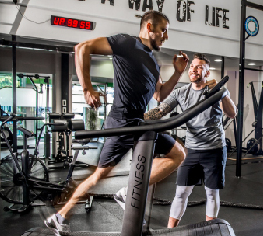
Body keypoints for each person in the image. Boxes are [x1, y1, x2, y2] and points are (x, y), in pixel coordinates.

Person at [44, 10, 189, 235]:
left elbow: (160, 94)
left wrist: (178, 73)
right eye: (163, 31)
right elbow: (82, 48)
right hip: (121, 122)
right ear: (149, 28)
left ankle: (129, 191)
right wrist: (87, 88)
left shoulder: (153, 61)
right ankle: (61, 215)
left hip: (139, 123)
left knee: (178, 153)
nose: (165, 36)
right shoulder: (126, 43)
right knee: (100, 175)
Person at [143, 53, 236, 228]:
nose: (194, 69)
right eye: (192, 66)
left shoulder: (218, 91)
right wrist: (139, 119)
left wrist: (221, 93)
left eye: (199, 67)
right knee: (181, 192)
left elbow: (232, 113)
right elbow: (160, 110)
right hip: (191, 149)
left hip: (214, 148)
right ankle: (171, 230)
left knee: (211, 193)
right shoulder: (181, 92)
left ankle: (210, 229)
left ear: (207, 73)